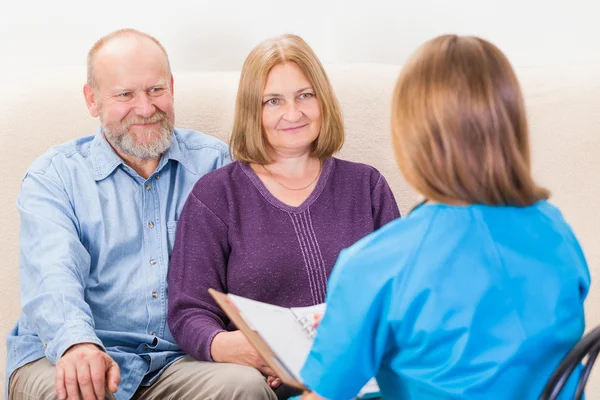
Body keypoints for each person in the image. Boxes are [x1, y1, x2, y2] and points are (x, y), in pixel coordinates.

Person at [297, 35, 590, 399]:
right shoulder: (556, 229)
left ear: (410, 136)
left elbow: (325, 392)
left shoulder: (374, 264)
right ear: (511, 127)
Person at [3, 28, 278, 400]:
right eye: (125, 94)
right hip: (69, 353)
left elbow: (255, 267)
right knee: (73, 390)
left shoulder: (217, 165)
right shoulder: (55, 176)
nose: (146, 108)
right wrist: (77, 344)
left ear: (172, 87)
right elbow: (53, 275)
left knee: (244, 387)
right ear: (92, 99)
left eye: (155, 90)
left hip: (183, 361)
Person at [167, 34, 400, 399]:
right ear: (252, 111)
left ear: (323, 100)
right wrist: (235, 349)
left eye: (305, 95)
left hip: (365, 376)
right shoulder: (215, 196)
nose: (293, 113)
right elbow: (188, 311)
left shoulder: (367, 185)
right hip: (270, 385)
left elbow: (401, 293)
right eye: (273, 101)